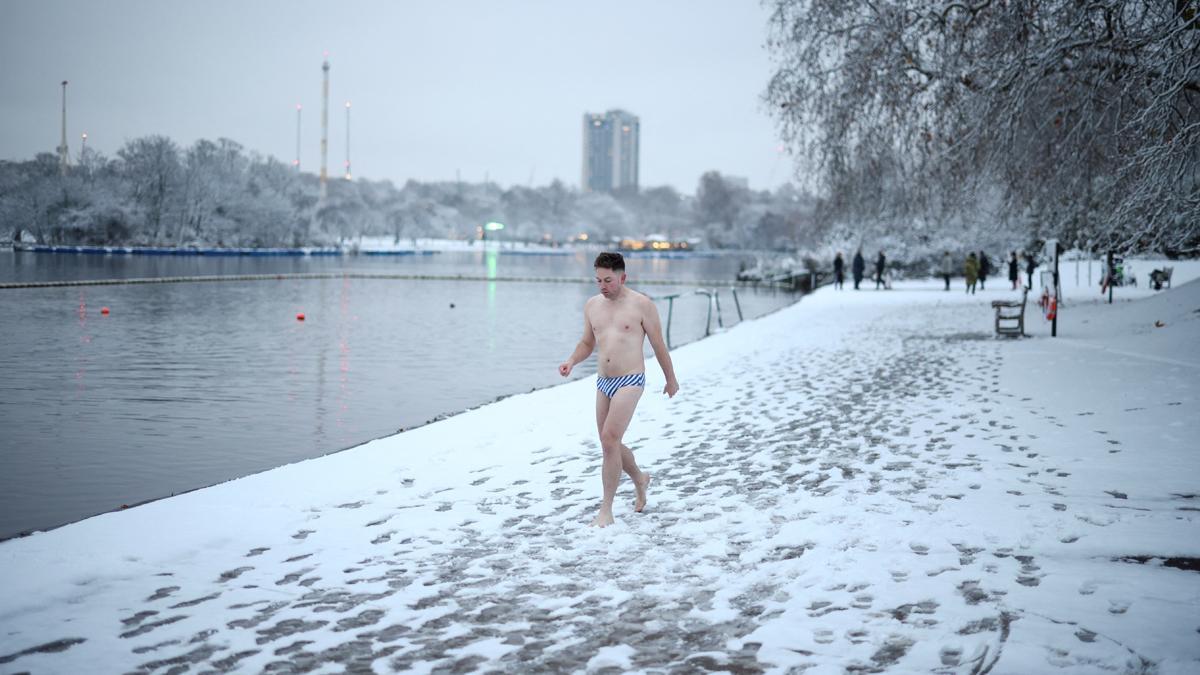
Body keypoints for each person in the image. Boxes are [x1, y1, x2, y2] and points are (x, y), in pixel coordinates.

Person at [559, 252, 679, 528]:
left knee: (610, 438)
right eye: (598, 280)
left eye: (608, 280)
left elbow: (659, 345)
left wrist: (670, 378)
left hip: (630, 379)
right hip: (603, 380)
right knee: (607, 442)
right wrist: (571, 361)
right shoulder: (592, 305)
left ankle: (606, 510)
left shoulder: (642, 305)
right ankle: (639, 478)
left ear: (623, 277)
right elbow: (587, 343)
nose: (603, 285)